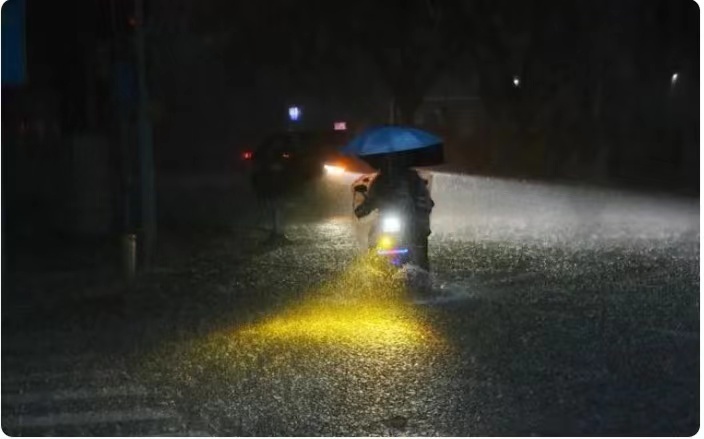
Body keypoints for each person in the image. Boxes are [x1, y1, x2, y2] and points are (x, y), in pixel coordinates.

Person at [353, 159, 434, 270]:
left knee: (420, 241)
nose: (390, 166)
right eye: (388, 163)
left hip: (410, 221)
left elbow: (423, 200)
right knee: (373, 240)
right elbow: (370, 201)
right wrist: (361, 205)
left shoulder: (413, 178)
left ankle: (423, 271)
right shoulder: (379, 181)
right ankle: (373, 268)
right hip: (386, 221)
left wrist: (422, 212)